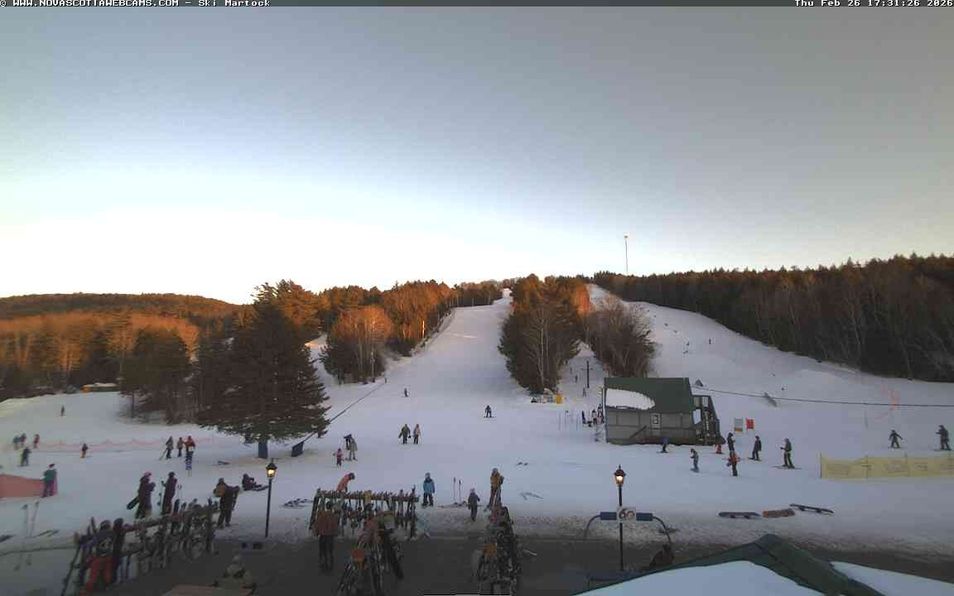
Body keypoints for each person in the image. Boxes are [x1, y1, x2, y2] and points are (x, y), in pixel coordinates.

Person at [82, 520, 115, 594]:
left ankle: (87, 591)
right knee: (107, 573)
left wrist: (84, 545)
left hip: (99, 558)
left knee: (93, 576)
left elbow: (91, 544)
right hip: (108, 556)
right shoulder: (112, 533)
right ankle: (107, 587)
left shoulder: (98, 534)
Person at [315, 502, 338, 572]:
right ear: (331, 507)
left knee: (322, 551)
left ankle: (323, 564)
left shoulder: (322, 514)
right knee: (330, 551)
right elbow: (335, 526)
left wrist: (317, 532)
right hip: (330, 536)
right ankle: (330, 566)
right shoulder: (333, 516)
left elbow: (318, 523)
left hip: (322, 536)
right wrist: (335, 533)